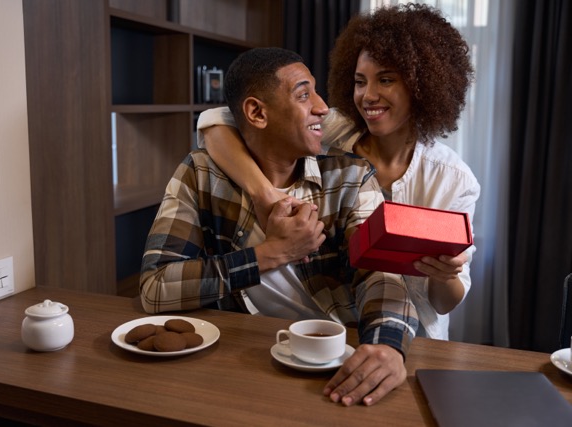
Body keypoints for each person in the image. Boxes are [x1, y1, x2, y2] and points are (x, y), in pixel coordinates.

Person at [140, 47, 418, 406]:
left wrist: (387, 346)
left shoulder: (350, 178)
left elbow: (380, 274)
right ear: (256, 113)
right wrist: (268, 255)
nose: (322, 107)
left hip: (333, 364)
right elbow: (154, 287)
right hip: (237, 360)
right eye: (304, 94)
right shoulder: (202, 174)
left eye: (317, 91)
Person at [196, 3, 480, 341]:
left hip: (417, 340)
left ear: (422, 85)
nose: (368, 95)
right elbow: (216, 121)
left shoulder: (452, 179)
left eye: (386, 80)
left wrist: (445, 275)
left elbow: (444, 303)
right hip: (338, 330)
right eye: (360, 82)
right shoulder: (332, 131)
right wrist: (263, 193)